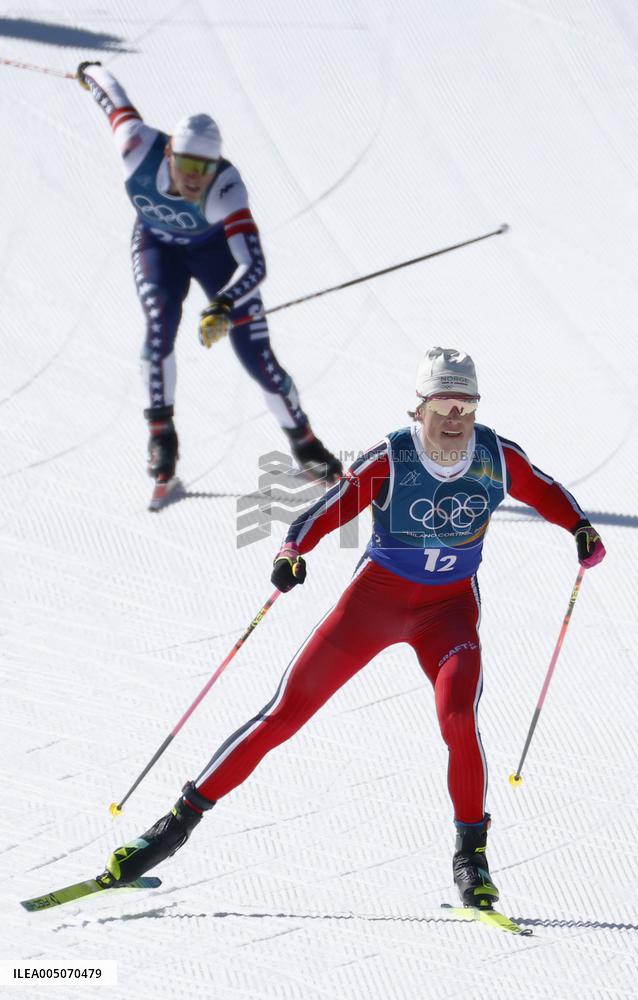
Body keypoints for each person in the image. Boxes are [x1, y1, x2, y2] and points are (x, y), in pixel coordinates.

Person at [101, 347, 605, 909]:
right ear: (420, 407)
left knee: (460, 718)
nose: (455, 417)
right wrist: (293, 550)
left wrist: (579, 527)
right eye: (444, 404)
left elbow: (543, 490)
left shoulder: (496, 456)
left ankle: (472, 857)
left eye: (466, 405)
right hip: (373, 605)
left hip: (449, 612)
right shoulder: (390, 458)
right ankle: (172, 829)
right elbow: (330, 508)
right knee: (284, 713)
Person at [75, 61, 342, 495]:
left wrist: (223, 303)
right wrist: (89, 70)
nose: (196, 177)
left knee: (258, 358)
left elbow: (253, 264)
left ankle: (305, 442)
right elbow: (113, 99)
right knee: (159, 321)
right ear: (169, 153)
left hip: (216, 259)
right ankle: (161, 435)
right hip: (157, 247)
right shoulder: (136, 147)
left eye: (206, 166)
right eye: (187, 164)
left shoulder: (226, 188)